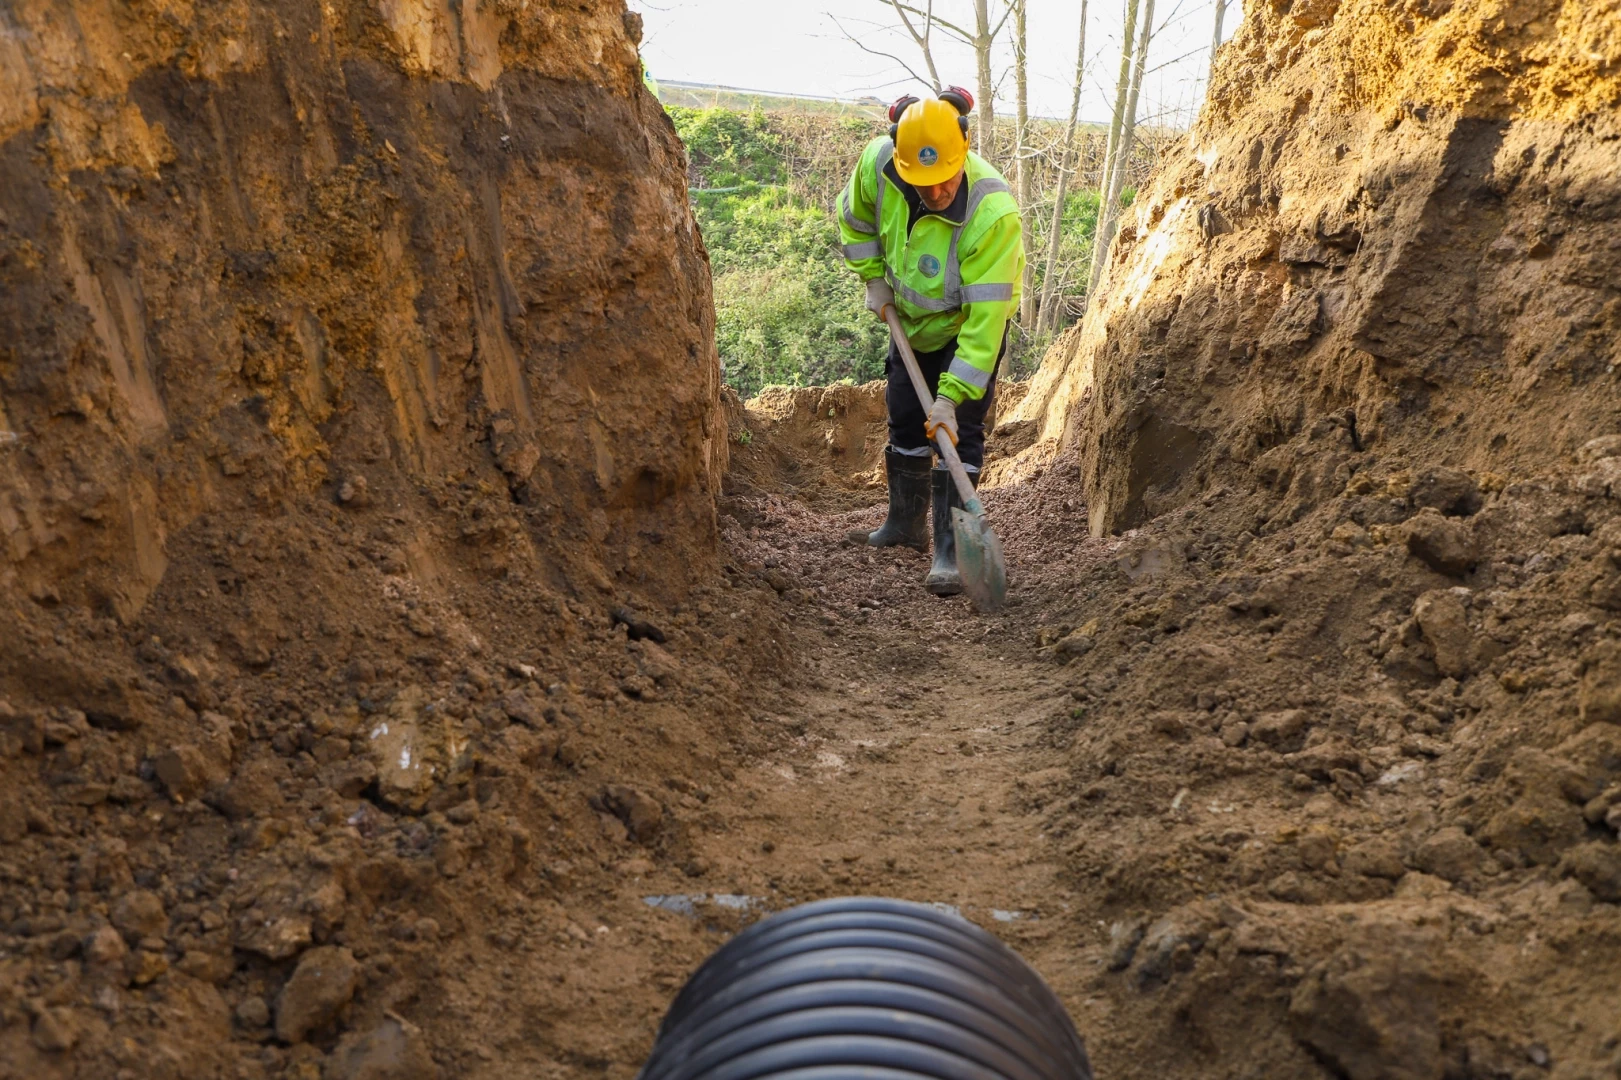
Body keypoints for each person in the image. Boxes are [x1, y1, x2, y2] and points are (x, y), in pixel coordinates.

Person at [839, 87, 1023, 596]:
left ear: (963, 154)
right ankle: (905, 525)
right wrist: (873, 277)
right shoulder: (879, 164)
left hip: (966, 328)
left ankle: (950, 547)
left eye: (946, 180)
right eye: (925, 184)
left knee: (958, 430)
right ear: (899, 161)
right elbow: (854, 221)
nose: (937, 192)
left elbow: (985, 327)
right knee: (903, 414)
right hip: (910, 318)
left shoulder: (993, 214)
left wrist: (947, 398)